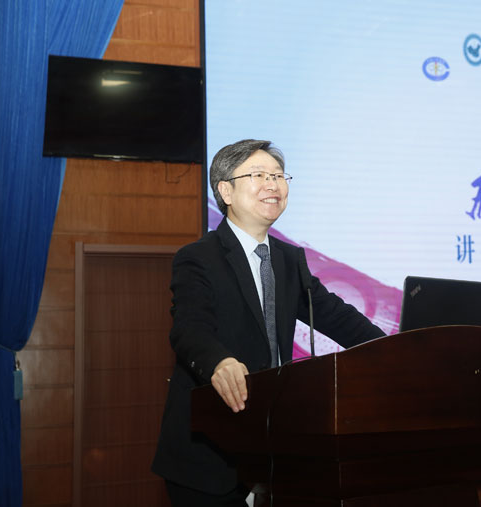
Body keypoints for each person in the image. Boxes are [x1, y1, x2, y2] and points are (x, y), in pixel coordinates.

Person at [151, 139, 385, 506]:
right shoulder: (197, 258)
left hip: (273, 451)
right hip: (209, 457)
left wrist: (394, 348)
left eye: (278, 175)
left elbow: (338, 317)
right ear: (226, 191)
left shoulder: (290, 260)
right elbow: (189, 328)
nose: (273, 184)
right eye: (259, 175)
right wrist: (219, 362)